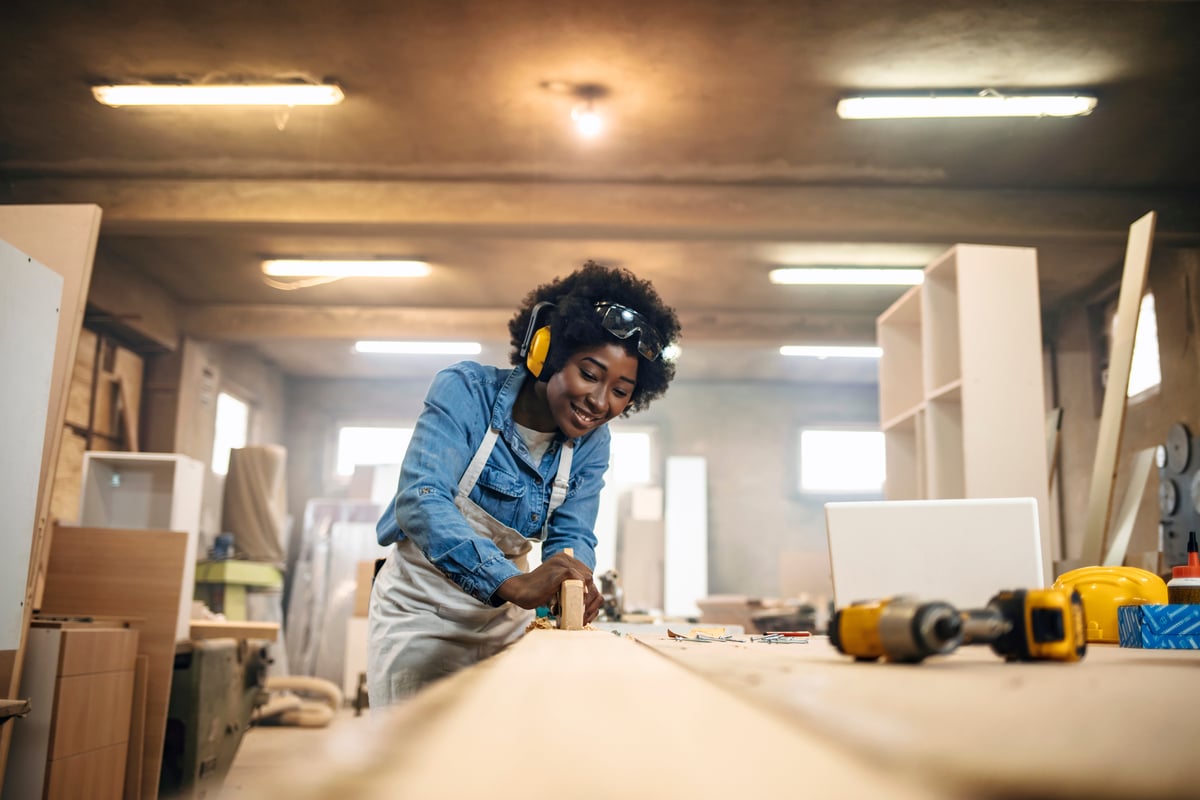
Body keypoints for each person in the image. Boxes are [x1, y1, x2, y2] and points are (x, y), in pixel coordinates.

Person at [367, 261, 681, 704]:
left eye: (620, 390)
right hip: (421, 615)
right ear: (546, 354)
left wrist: (574, 580)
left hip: (506, 624)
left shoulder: (592, 441)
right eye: (590, 374)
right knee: (414, 744)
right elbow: (422, 499)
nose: (599, 401)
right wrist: (512, 584)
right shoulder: (467, 391)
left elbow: (571, 534)